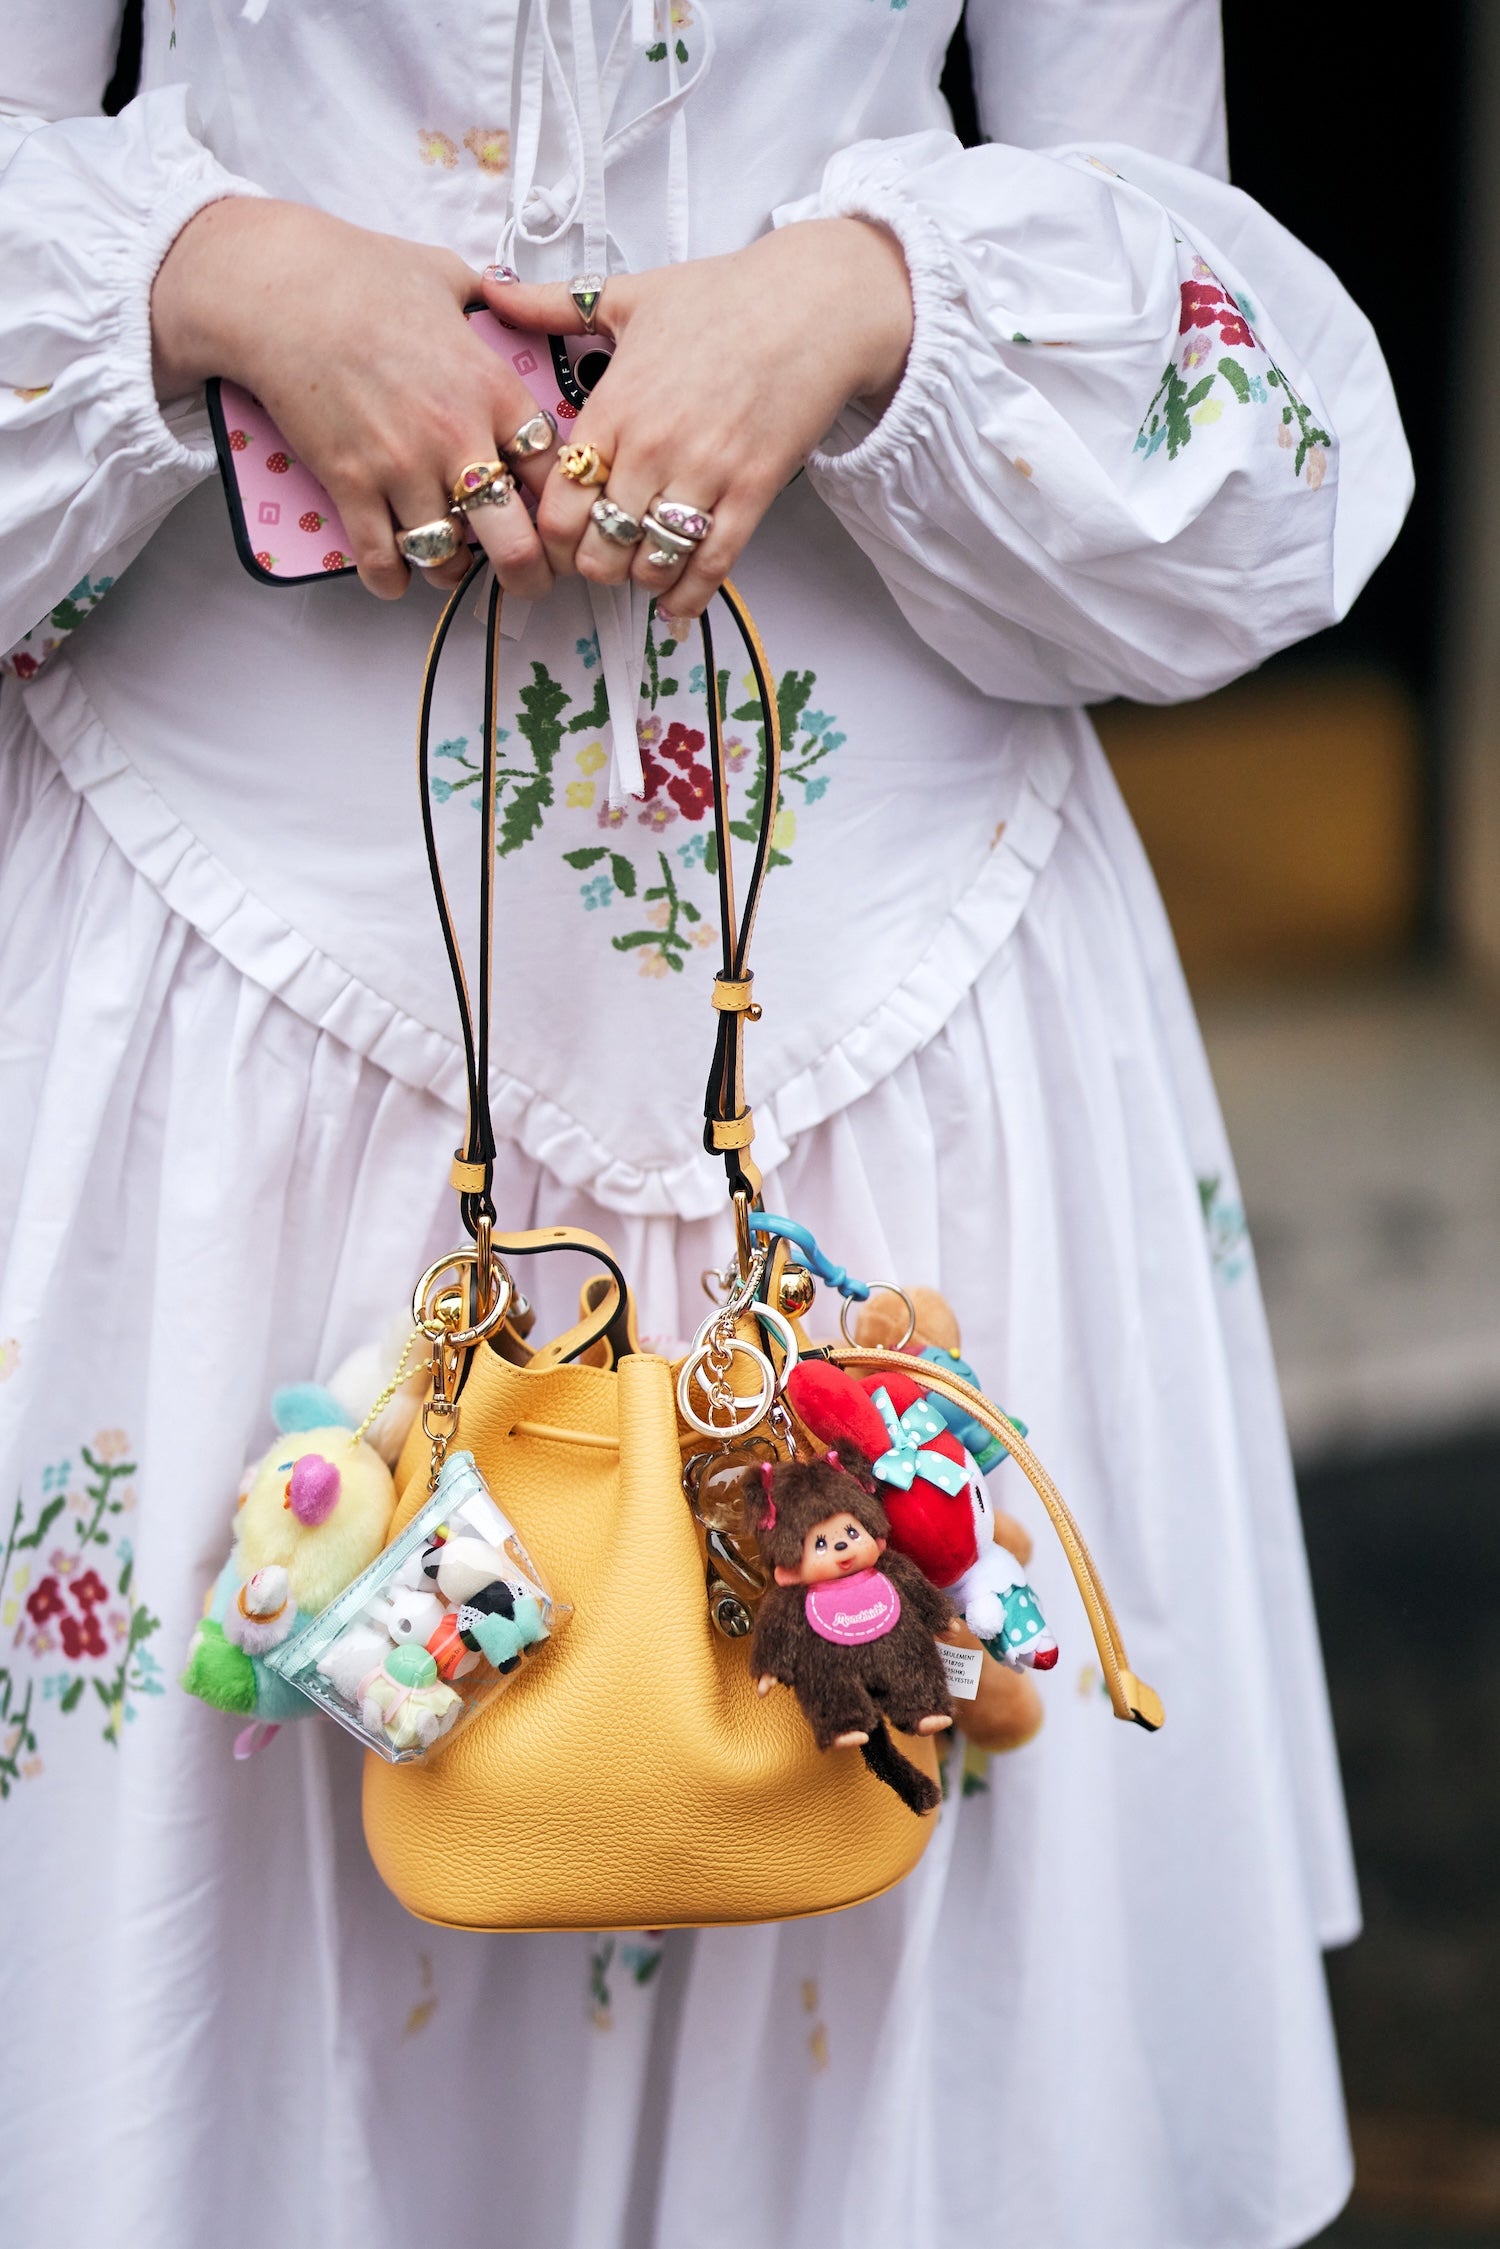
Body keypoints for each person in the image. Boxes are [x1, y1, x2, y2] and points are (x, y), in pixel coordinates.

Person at [0, 2, 1409, 2245]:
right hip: (230, 968)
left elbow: (1209, 357)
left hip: (890, 1000)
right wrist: (212, 276)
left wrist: (868, 294)